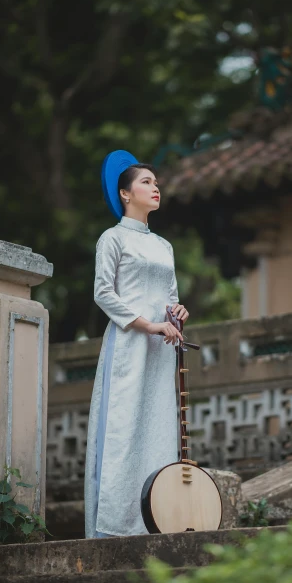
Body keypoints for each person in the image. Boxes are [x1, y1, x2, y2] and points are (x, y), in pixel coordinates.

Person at [84, 150, 189, 538]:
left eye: (156, 183)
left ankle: (158, 518)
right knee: (124, 429)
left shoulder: (163, 246)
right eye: (146, 182)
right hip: (130, 345)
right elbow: (103, 294)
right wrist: (147, 325)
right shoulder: (112, 239)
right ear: (125, 194)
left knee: (160, 429)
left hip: (162, 350)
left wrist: (176, 312)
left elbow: (170, 295)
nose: (155, 187)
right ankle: (117, 523)